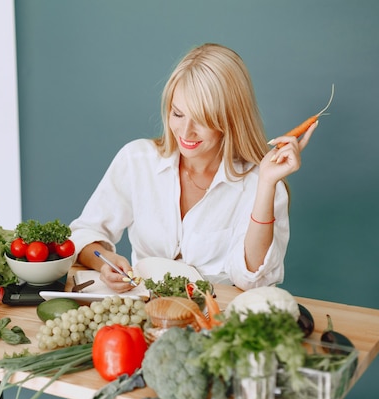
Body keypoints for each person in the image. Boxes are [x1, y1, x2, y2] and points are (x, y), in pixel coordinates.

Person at [70, 43, 316, 295]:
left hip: (216, 318)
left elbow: (253, 281)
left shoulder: (259, 182)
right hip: (144, 313)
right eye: (178, 114)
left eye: (202, 120)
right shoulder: (137, 159)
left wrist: (265, 185)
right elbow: (85, 233)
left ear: (230, 119)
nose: (185, 132)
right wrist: (106, 263)